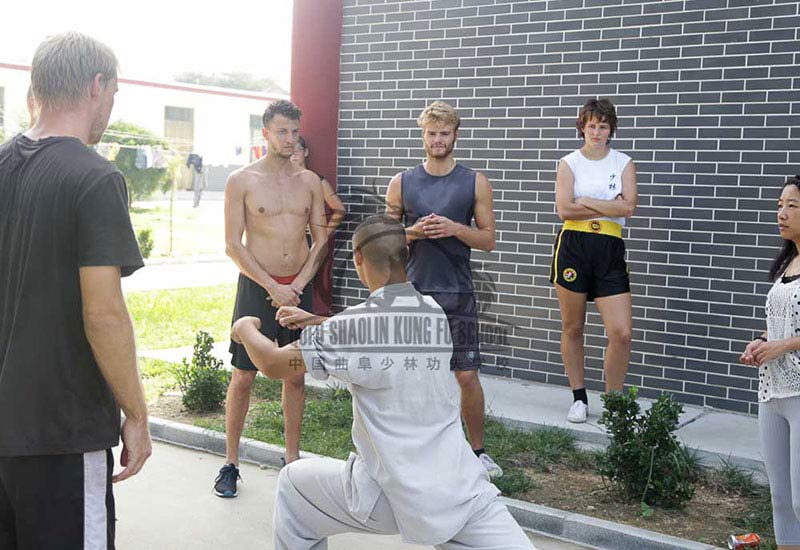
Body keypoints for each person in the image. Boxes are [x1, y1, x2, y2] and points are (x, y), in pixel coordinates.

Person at [232, 215, 535, 550]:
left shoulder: (354, 328)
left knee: (293, 484)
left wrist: (245, 327)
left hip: (386, 493)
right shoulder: (432, 312)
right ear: (406, 255)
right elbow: (385, 332)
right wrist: (321, 322)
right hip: (459, 488)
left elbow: (276, 365)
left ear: (358, 259)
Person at [0, 32, 151, 549]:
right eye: (113, 94)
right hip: (60, 431)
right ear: (96, 86)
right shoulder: (95, 178)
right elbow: (103, 315)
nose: (110, 106)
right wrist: (136, 414)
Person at [385, 101, 503, 478]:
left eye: (444, 133)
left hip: (458, 293)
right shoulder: (402, 181)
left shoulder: (474, 181)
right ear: (423, 136)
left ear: (456, 135)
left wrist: (454, 228)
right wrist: (413, 232)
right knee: (410, 374)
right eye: (432, 133)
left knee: (466, 375)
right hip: (414, 293)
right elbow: (381, 241)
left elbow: (488, 240)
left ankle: (478, 451)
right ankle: (411, 448)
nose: (438, 140)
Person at [215, 100, 327, 498]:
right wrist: (272, 286)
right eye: (282, 131)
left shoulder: (309, 181)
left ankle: (292, 461)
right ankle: (230, 464)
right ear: (265, 133)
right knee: (243, 376)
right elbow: (232, 244)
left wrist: (298, 283)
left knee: (295, 375)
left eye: (294, 132)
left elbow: (321, 238)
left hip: (298, 286)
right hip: (256, 285)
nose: (290, 139)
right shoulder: (241, 180)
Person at [551, 98, 637, 424]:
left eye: (603, 126)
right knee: (573, 327)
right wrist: (606, 204)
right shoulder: (569, 162)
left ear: (611, 129)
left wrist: (585, 200)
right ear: (582, 128)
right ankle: (579, 397)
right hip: (574, 245)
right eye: (591, 125)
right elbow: (564, 210)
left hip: (609, 247)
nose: (597, 131)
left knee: (621, 332)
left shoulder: (624, 163)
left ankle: (614, 403)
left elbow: (629, 207)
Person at [740, 175, 800, 550]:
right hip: (771, 390)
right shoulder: (787, 261)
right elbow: (779, 323)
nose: (781, 213)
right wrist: (762, 342)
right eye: (779, 205)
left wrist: (782, 346)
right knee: (781, 501)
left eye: (791, 206)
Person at [291, 136, 346, 237]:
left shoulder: (317, 181)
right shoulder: (281, 181)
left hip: (310, 240)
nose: (293, 155)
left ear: (305, 152)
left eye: (297, 150)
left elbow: (339, 210)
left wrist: (323, 236)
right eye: (290, 151)